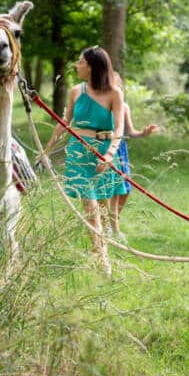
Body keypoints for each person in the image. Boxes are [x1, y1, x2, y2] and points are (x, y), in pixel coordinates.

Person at [43, 46, 127, 273]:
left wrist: (110, 155)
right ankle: (103, 259)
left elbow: (119, 128)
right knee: (90, 205)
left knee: (100, 206)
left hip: (103, 153)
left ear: (92, 66)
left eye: (80, 62)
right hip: (78, 153)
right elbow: (65, 121)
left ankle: (95, 248)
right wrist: (47, 149)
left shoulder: (114, 93)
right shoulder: (75, 91)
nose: (76, 66)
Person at [107, 74, 161, 241]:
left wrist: (144, 132)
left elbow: (130, 131)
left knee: (125, 190)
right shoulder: (102, 105)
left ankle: (111, 221)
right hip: (107, 148)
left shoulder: (123, 107)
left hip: (120, 150)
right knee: (114, 191)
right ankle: (113, 228)